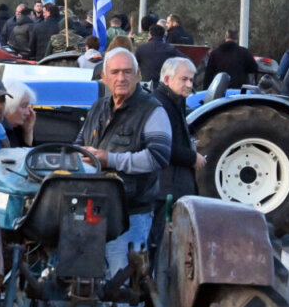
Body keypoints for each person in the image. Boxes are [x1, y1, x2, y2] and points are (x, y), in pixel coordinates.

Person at [75, 48, 171, 275]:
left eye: (128, 72)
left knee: (122, 282)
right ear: (104, 77)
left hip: (130, 215)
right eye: (115, 72)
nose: (121, 78)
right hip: (92, 210)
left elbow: (158, 157)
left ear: (138, 76)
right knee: (87, 279)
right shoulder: (98, 107)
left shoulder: (152, 111)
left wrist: (109, 159)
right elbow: (79, 143)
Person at [151, 57, 205, 248]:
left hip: (173, 187)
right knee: (162, 245)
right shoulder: (160, 106)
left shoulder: (175, 102)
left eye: (191, 80)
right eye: (184, 79)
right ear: (167, 79)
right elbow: (162, 147)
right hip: (165, 189)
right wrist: (192, 158)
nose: (189, 85)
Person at [3, 79, 37, 147]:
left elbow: (27, 153)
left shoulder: (17, 129)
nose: (28, 113)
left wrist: (28, 132)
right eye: (24, 106)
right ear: (9, 106)